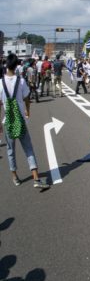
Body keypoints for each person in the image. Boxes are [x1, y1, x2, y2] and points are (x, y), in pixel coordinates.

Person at [1, 53, 49, 189]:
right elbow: (27, 98)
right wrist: (27, 110)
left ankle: (15, 177)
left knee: (11, 150)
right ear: (17, 65)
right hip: (20, 120)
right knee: (28, 148)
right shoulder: (21, 81)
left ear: (6, 65)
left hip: (8, 121)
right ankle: (36, 178)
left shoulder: (0, 83)